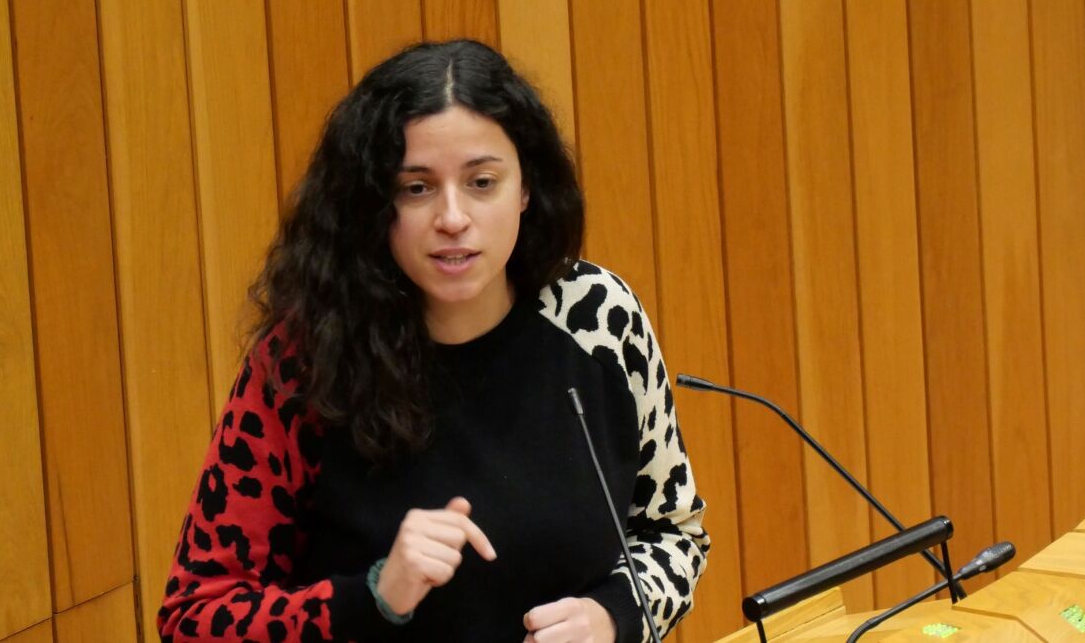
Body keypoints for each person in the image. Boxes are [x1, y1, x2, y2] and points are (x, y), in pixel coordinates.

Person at [158, 40, 708, 642]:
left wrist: (613, 617)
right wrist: (373, 596)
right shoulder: (307, 358)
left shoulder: (598, 317)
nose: (452, 217)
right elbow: (193, 618)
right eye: (416, 188)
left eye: (482, 182)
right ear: (375, 205)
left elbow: (672, 533)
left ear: (525, 189)